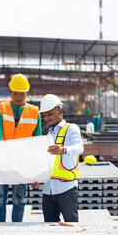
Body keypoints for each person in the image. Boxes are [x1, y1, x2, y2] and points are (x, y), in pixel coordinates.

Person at [0, 73, 42, 222]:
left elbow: (36, 144)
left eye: (22, 94)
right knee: (0, 201)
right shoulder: (0, 108)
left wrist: (34, 172)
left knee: (19, 201)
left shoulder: (35, 112)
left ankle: (16, 231)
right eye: (15, 94)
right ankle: (0, 232)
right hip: (2, 163)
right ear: (10, 92)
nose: (19, 98)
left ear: (27, 92)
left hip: (22, 165)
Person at [38, 94, 84, 222]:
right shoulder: (49, 134)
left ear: (59, 111)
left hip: (66, 188)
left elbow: (79, 147)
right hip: (48, 190)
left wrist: (63, 150)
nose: (47, 118)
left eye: (50, 114)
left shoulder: (71, 129)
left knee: (72, 226)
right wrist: (36, 177)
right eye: (45, 115)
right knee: (50, 227)